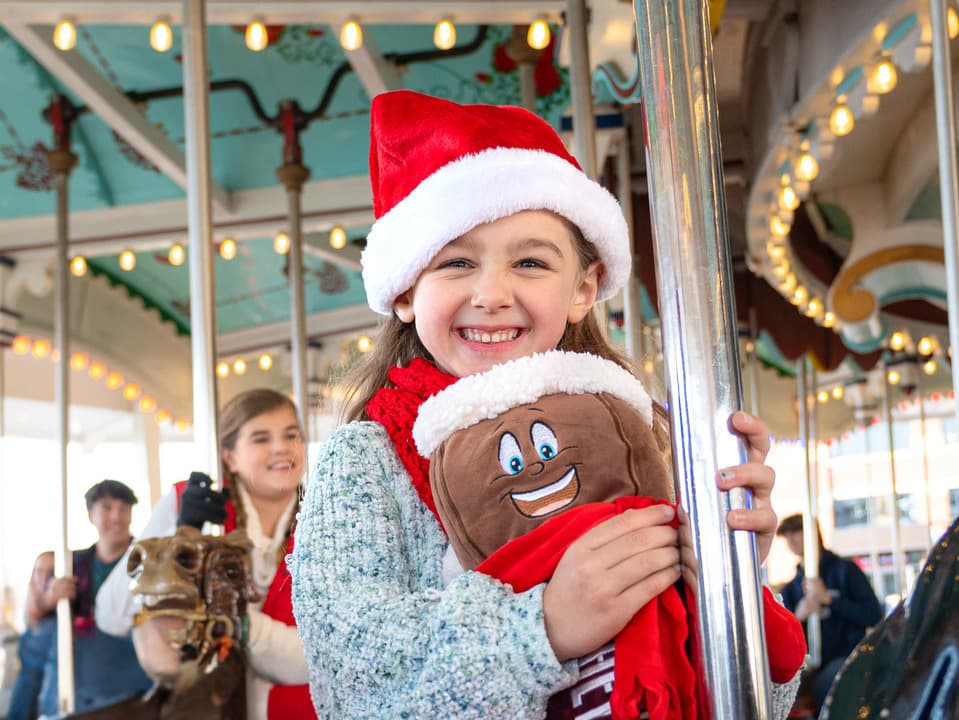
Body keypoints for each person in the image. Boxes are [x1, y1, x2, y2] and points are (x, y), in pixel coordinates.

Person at [290, 89, 801, 719]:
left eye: (530, 261)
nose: (492, 293)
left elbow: (764, 703)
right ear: (404, 290)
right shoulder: (366, 460)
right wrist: (543, 626)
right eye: (455, 262)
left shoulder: (650, 435)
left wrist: (729, 580)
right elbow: (353, 682)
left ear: (583, 287)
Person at [95, 389, 316, 720]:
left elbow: (316, 657)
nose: (281, 448)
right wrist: (181, 535)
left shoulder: (324, 518)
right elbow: (112, 614)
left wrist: (233, 621)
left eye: (291, 435)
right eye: (260, 438)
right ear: (230, 457)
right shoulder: (188, 503)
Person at [29, 481, 152, 716]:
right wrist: (50, 598)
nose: (116, 517)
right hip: (81, 674)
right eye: (106, 508)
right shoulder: (73, 565)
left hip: (130, 665)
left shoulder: (147, 562)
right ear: (90, 515)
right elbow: (34, 618)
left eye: (124, 508)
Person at [776, 513, 884, 710]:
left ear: (812, 533)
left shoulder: (845, 571)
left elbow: (874, 615)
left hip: (847, 657)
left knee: (829, 683)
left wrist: (829, 599)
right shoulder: (790, 589)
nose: (791, 539)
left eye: (796, 532)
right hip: (806, 664)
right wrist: (798, 616)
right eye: (786, 535)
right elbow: (779, 638)